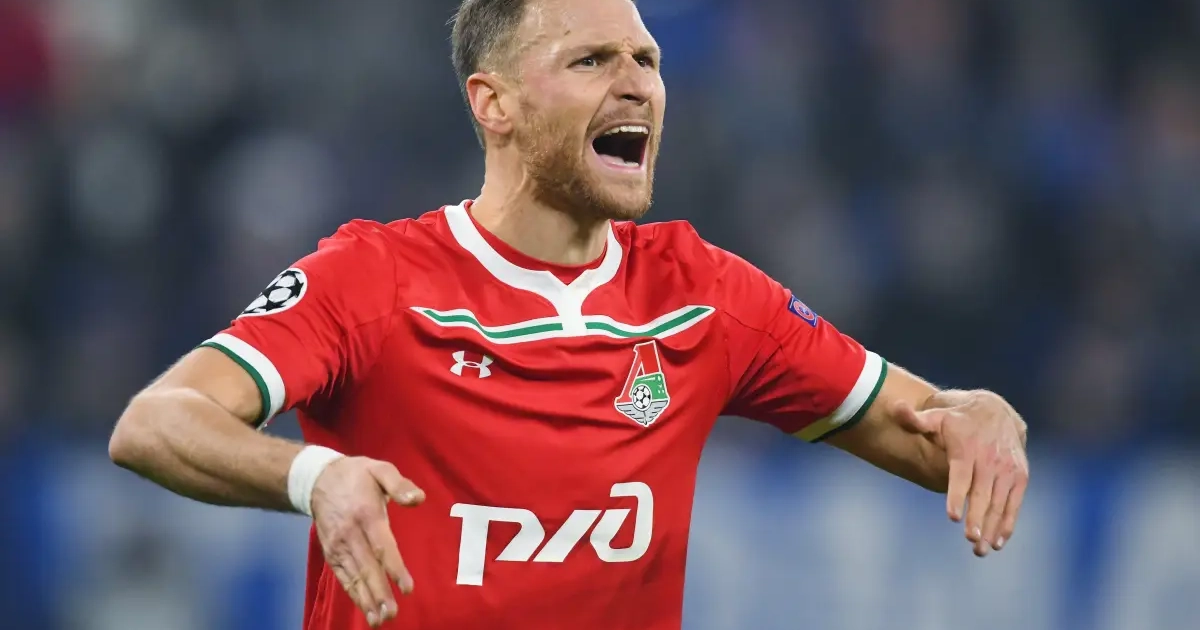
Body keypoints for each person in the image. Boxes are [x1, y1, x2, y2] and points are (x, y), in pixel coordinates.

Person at [108, 0, 1030, 628]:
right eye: (591, 60)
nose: (636, 84)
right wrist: (314, 476)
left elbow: (933, 434)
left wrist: (981, 415)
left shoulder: (704, 296)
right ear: (494, 103)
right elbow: (155, 424)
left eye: (647, 60)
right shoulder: (373, 280)